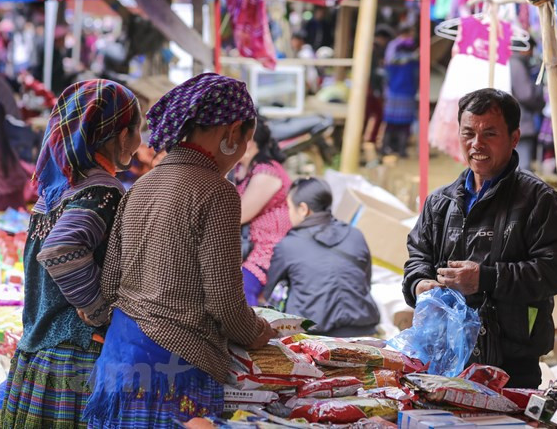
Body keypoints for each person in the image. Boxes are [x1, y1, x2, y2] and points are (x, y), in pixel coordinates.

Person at [84, 73, 276, 425]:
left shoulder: (142, 186)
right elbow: (225, 304)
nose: (243, 152)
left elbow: (110, 282)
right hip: (174, 365)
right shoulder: (216, 193)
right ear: (232, 133)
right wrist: (259, 332)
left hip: (120, 354)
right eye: (246, 140)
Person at [402, 89, 557, 389]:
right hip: (443, 361)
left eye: (490, 134)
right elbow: (418, 258)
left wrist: (486, 279)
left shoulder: (540, 202)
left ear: (514, 137)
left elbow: (556, 271)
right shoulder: (440, 202)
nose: (477, 144)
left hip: (512, 367)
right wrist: (420, 284)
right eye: (468, 133)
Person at [1, 79, 142, 428]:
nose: (141, 142)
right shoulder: (102, 189)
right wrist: (96, 310)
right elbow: (62, 249)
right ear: (120, 134)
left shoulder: (56, 190)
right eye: (138, 129)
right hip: (73, 354)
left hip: (40, 350)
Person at [264, 177, 380, 337]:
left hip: (313, 337)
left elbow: (269, 290)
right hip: (363, 331)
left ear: (303, 209)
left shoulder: (288, 245)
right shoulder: (355, 234)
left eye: (289, 207)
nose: (288, 214)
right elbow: (365, 282)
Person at [234, 115, 292, 306]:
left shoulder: (266, 172)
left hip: (266, 249)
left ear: (249, 142)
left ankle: (250, 331)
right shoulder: (242, 168)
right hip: (247, 246)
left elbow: (239, 214)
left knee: (240, 289)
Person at [382, 26, 419, 157]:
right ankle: (402, 150)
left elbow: (386, 75)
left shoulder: (392, 62)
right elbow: (416, 78)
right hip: (407, 94)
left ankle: (385, 148)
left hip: (393, 93)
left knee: (390, 123)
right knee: (405, 125)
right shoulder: (413, 62)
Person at [509, 41, 545, 170]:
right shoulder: (516, 64)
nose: (531, 54)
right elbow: (526, 94)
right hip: (521, 123)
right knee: (521, 168)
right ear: (525, 49)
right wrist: (540, 98)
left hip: (517, 123)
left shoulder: (511, 63)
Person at [365, 25, 393, 143]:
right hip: (370, 88)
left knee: (367, 115)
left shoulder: (372, 49)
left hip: (369, 88)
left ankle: (367, 139)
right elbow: (372, 72)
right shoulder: (372, 50)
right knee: (377, 114)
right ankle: (370, 140)